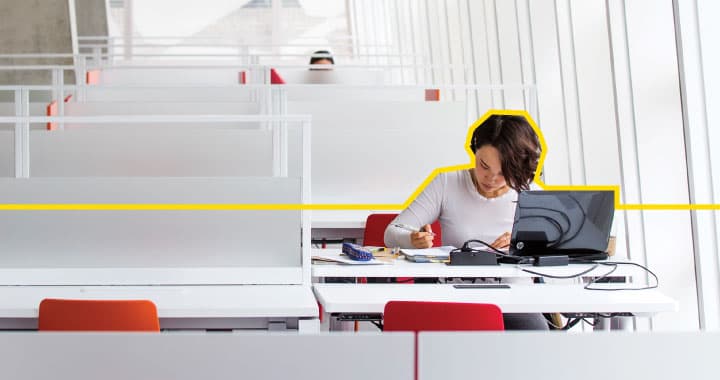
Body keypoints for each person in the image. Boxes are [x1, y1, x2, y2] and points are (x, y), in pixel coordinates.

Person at [383, 114, 549, 330]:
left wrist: (525, 245)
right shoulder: (447, 183)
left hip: (514, 301)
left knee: (536, 334)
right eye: (484, 165)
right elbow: (391, 232)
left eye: (503, 173)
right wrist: (412, 240)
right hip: (454, 296)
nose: (491, 178)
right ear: (474, 151)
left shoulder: (531, 194)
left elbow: (555, 253)